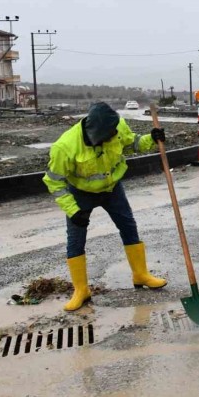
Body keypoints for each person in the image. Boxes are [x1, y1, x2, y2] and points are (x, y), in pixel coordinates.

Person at [43, 102, 168, 311]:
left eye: (114, 132)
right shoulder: (65, 147)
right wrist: (73, 211)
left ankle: (140, 274)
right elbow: (53, 181)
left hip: (112, 189)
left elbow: (133, 142)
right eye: (108, 135)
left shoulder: (117, 126)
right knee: (75, 239)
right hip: (81, 193)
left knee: (128, 226)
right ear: (95, 134)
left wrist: (151, 138)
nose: (113, 136)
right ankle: (81, 290)